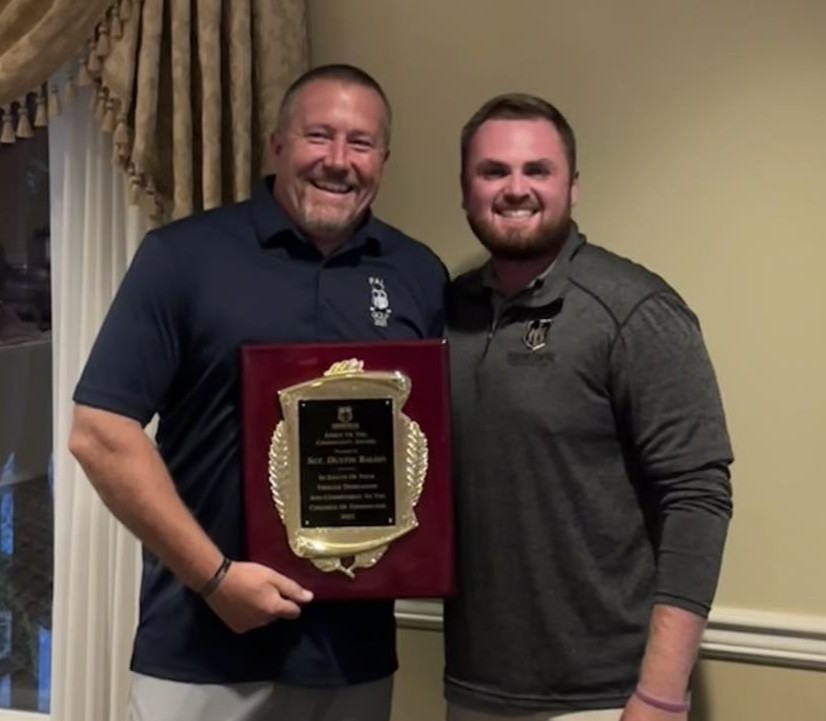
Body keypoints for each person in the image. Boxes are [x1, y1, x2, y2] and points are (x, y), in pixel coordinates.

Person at [69, 64, 447, 721]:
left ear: (383, 159)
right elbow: (99, 433)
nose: (337, 160)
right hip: (201, 651)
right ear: (276, 145)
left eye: (360, 143)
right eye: (317, 136)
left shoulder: (418, 274)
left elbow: (433, 446)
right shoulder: (182, 259)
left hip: (351, 659)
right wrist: (214, 577)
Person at [444, 93, 733, 721]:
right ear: (465, 190)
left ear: (572, 187)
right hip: (472, 687)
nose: (514, 188)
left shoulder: (635, 310)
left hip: (607, 699)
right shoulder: (447, 312)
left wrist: (659, 692)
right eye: (493, 171)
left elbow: (698, 497)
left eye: (537, 170)